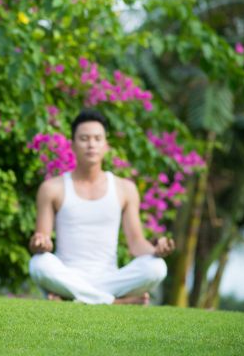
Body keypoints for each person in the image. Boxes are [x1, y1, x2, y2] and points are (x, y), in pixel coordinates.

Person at [28, 109, 175, 305]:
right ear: (72, 145)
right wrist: (40, 244)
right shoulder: (51, 188)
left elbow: (136, 243)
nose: (91, 144)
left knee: (157, 267)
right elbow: (41, 241)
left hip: (110, 279)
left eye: (97, 138)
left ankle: (74, 298)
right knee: (39, 263)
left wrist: (156, 251)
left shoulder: (125, 188)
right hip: (67, 275)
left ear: (106, 145)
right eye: (84, 138)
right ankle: (117, 302)